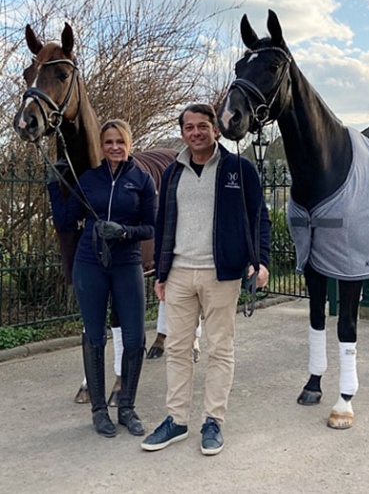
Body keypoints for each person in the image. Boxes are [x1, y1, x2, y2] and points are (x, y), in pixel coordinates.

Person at [141, 103, 270, 456]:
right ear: (182, 132)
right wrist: (162, 273)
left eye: (202, 126)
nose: (195, 132)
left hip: (221, 275)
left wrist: (261, 262)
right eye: (189, 127)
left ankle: (213, 420)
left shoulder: (239, 169)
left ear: (215, 129)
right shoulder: (172, 173)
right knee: (178, 350)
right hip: (180, 273)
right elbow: (164, 223)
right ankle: (176, 419)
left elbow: (260, 218)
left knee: (219, 349)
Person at [48, 119, 157, 438]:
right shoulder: (90, 179)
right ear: (102, 145)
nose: (114, 147)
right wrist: (55, 186)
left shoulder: (142, 180)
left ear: (129, 144)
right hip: (90, 262)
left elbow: (152, 227)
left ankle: (126, 407)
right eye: (108, 142)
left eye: (119, 142)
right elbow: (66, 221)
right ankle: (99, 410)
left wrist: (124, 232)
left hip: (127, 262)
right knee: (95, 336)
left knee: (135, 337)